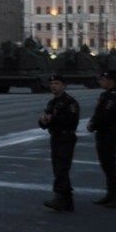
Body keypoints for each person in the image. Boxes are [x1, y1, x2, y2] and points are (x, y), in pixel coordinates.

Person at [39, 74, 81, 211]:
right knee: (58, 169)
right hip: (56, 137)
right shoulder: (52, 103)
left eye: (57, 83)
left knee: (62, 168)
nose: (53, 86)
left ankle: (62, 198)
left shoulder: (70, 102)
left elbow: (71, 121)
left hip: (66, 138)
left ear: (64, 86)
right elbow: (45, 121)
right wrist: (43, 121)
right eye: (52, 84)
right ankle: (65, 199)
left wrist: (52, 120)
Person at [88, 69, 116, 208]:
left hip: (110, 132)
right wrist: (93, 122)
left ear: (111, 81)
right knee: (106, 165)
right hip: (105, 132)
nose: (101, 82)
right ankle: (110, 195)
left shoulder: (114, 96)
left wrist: (93, 125)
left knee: (110, 166)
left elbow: (106, 115)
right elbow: (99, 112)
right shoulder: (107, 95)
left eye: (103, 80)